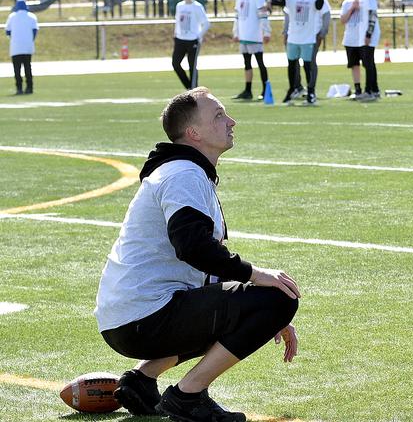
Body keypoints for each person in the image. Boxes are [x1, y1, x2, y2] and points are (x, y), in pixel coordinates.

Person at [94, 88, 299, 422]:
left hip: (128, 319)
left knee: (269, 302)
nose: (231, 121)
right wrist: (258, 282)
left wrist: (264, 313)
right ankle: (188, 396)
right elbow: (192, 246)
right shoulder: (184, 173)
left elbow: (204, 267)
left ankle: (143, 380)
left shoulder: (184, 171)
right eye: (219, 115)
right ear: (194, 133)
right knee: (279, 297)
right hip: (145, 319)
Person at [281, 0, 331, 105]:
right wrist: (285, 31)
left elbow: (323, 10)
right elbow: (284, 6)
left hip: (310, 37)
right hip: (294, 36)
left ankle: (311, 91)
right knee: (293, 64)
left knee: (309, 64)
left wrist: (322, 32)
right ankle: (294, 88)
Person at [340, 0, 381, 100]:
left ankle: (370, 91)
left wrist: (368, 33)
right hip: (363, 35)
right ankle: (373, 90)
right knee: (368, 63)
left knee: (368, 63)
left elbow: (372, 15)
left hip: (368, 34)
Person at [232, 0, 270, 100]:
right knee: (246, 63)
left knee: (260, 62)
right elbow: (237, 16)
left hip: (255, 34)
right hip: (243, 35)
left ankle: (266, 90)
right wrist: (236, 32)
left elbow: (263, 15)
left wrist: (266, 32)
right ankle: (248, 90)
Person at [173, 0, 210, 90]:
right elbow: (177, 21)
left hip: (192, 40)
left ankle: (194, 89)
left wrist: (199, 36)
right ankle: (189, 88)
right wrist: (175, 34)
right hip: (180, 39)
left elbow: (206, 23)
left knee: (192, 66)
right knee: (175, 64)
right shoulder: (179, 5)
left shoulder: (197, 6)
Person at [5, 0, 38, 95]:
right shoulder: (32, 16)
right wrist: (30, 40)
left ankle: (19, 88)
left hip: (15, 47)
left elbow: (8, 31)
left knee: (17, 69)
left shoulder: (12, 16)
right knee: (28, 67)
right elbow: (35, 31)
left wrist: (14, 38)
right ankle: (29, 88)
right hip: (28, 47)